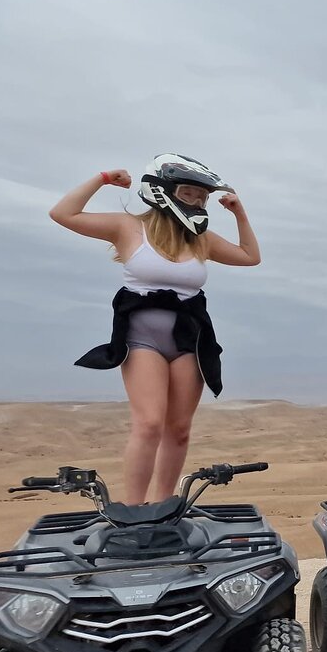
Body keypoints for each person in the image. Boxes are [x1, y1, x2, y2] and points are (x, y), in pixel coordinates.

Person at [53, 155, 261, 503]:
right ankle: (133, 512)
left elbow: (249, 256)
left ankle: (165, 506)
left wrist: (239, 212)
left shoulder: (201, 240)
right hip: (141, 337)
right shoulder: (128, 227)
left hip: (188, 339)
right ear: (163, 190)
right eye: (189, 192)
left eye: (202, 196)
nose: (196, 201)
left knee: (178, 430)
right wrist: (102, 178)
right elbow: (63, 214)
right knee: (149, 424)